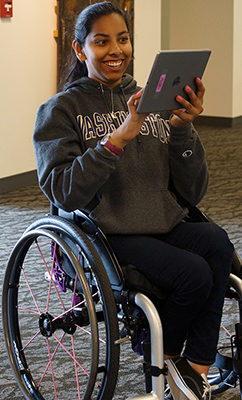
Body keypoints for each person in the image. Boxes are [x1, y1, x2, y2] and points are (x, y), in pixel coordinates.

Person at [33, 2, 234, 400]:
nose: (116, 50)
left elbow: (193, 192)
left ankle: (192, 368)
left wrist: (181, 129)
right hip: (108, 233)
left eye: (122, 40)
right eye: (101, 41)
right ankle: (166, 363)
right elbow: (63, 190)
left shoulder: (154, 100)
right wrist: (118, 138)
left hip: (163, 221)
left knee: (218, 245)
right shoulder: (61, 110)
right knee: (192, 274)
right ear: (80, 50)